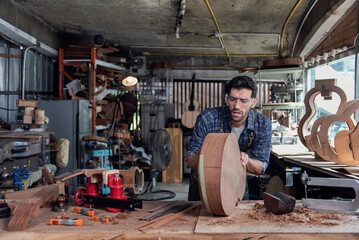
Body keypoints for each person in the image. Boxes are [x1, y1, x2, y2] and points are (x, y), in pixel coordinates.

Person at [186, 76, 272, 201]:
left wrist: (245, 160)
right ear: (227, 99)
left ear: (253, 102)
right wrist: (215, 157)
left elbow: (261, 167)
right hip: (205, 183)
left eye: (243, 101)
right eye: (232, 99)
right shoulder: (207, 118)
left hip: (236, 181)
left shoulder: (262, 124)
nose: (236, 106)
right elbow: (190, 160)